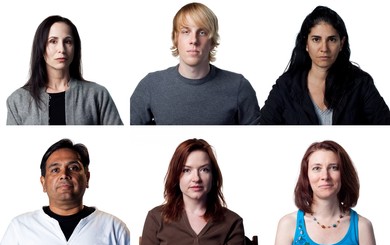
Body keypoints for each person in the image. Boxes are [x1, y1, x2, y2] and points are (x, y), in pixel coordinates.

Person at [130, 2, 261, 125]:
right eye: (186, 32)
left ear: (212, 41)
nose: (194, 40)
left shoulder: (239, 87)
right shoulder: (150, 86)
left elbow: (257, 142)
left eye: (202, 32)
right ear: (176, 38)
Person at [0, 139, 130, 245]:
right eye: (55, 170)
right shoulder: (19, 228)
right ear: (43, 182)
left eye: (73, 168)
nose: (64, 175)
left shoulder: (114, 228)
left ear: (87, 178)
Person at [259, 6, 390, 125]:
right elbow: (262, 131)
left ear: (341, 43)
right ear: (306, 43)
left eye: (332, 40)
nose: (324, 48)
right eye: (316, 39)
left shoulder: (360, 84)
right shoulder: (285, 86)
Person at [139, 138, 245, 245]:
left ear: (213, 176)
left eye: (204, 169)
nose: (196, 178)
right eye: (186, 170)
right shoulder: (156, 217)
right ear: (176, 175)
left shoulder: (232, 222)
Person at [6, 15, 123, 125]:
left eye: (67, 41)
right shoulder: (17, 101)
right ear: (41, 47)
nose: (61, 49)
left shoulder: (97, 95)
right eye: (53, 41)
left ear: (75, 48)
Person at [273, 140, 377, 245]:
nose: (325, 176)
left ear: (344, 174)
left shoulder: (362, 227)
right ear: (306, 176)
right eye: (316, 168)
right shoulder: (288, 224)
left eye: (333, 168)